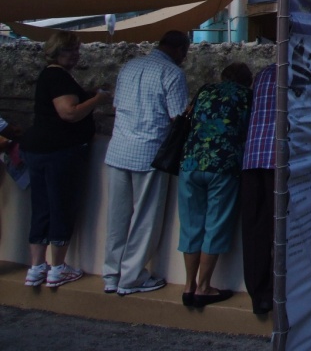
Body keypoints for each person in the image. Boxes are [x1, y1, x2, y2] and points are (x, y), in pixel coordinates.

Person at [20, 31, 111, 288]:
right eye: (70, 50)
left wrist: (85, 93)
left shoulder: (50, 75)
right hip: (59, 152)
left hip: (38, 149)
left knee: (42, 207)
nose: (76, 53)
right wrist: (97, 99)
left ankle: (37, 267)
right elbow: (69, 113)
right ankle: (58, 268)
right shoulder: (58, 76)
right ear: (58, 51)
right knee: (61, 206)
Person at [103, 29, 190, 296]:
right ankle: (132, 277)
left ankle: (111, 274)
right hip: (150, 152)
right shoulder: (172, 74)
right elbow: (178, 117)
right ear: (179, 50)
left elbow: (118, 106)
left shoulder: (129, 66)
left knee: (116, 218)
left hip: (118, 149)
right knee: (145, 219)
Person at [178, 63, 252, 308]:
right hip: (223, 164)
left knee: (191, 225)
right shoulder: (245, 95)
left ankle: (188, 285)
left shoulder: (205, 90)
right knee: (215, 225)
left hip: (191, 162)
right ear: (247, 80)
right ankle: (203, 286)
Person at [241, 62, 277, 315]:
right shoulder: (307, 75)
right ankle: (280, 290)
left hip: (253, 156)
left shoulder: (264, 72)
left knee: (255, 228)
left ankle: (259, 295)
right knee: (283, 228)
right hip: (281, 160)